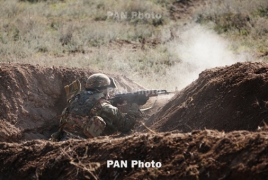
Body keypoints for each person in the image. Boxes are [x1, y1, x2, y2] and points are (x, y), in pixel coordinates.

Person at [51, 73, 142, 141]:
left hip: (61, 139)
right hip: (81, 146)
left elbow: (91, 104)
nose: (109, 93)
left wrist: (113, 102)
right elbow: (126, 126)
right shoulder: (106, 107)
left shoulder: (75, 98)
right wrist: (135, 104)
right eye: (108, 89)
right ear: (103, 89)